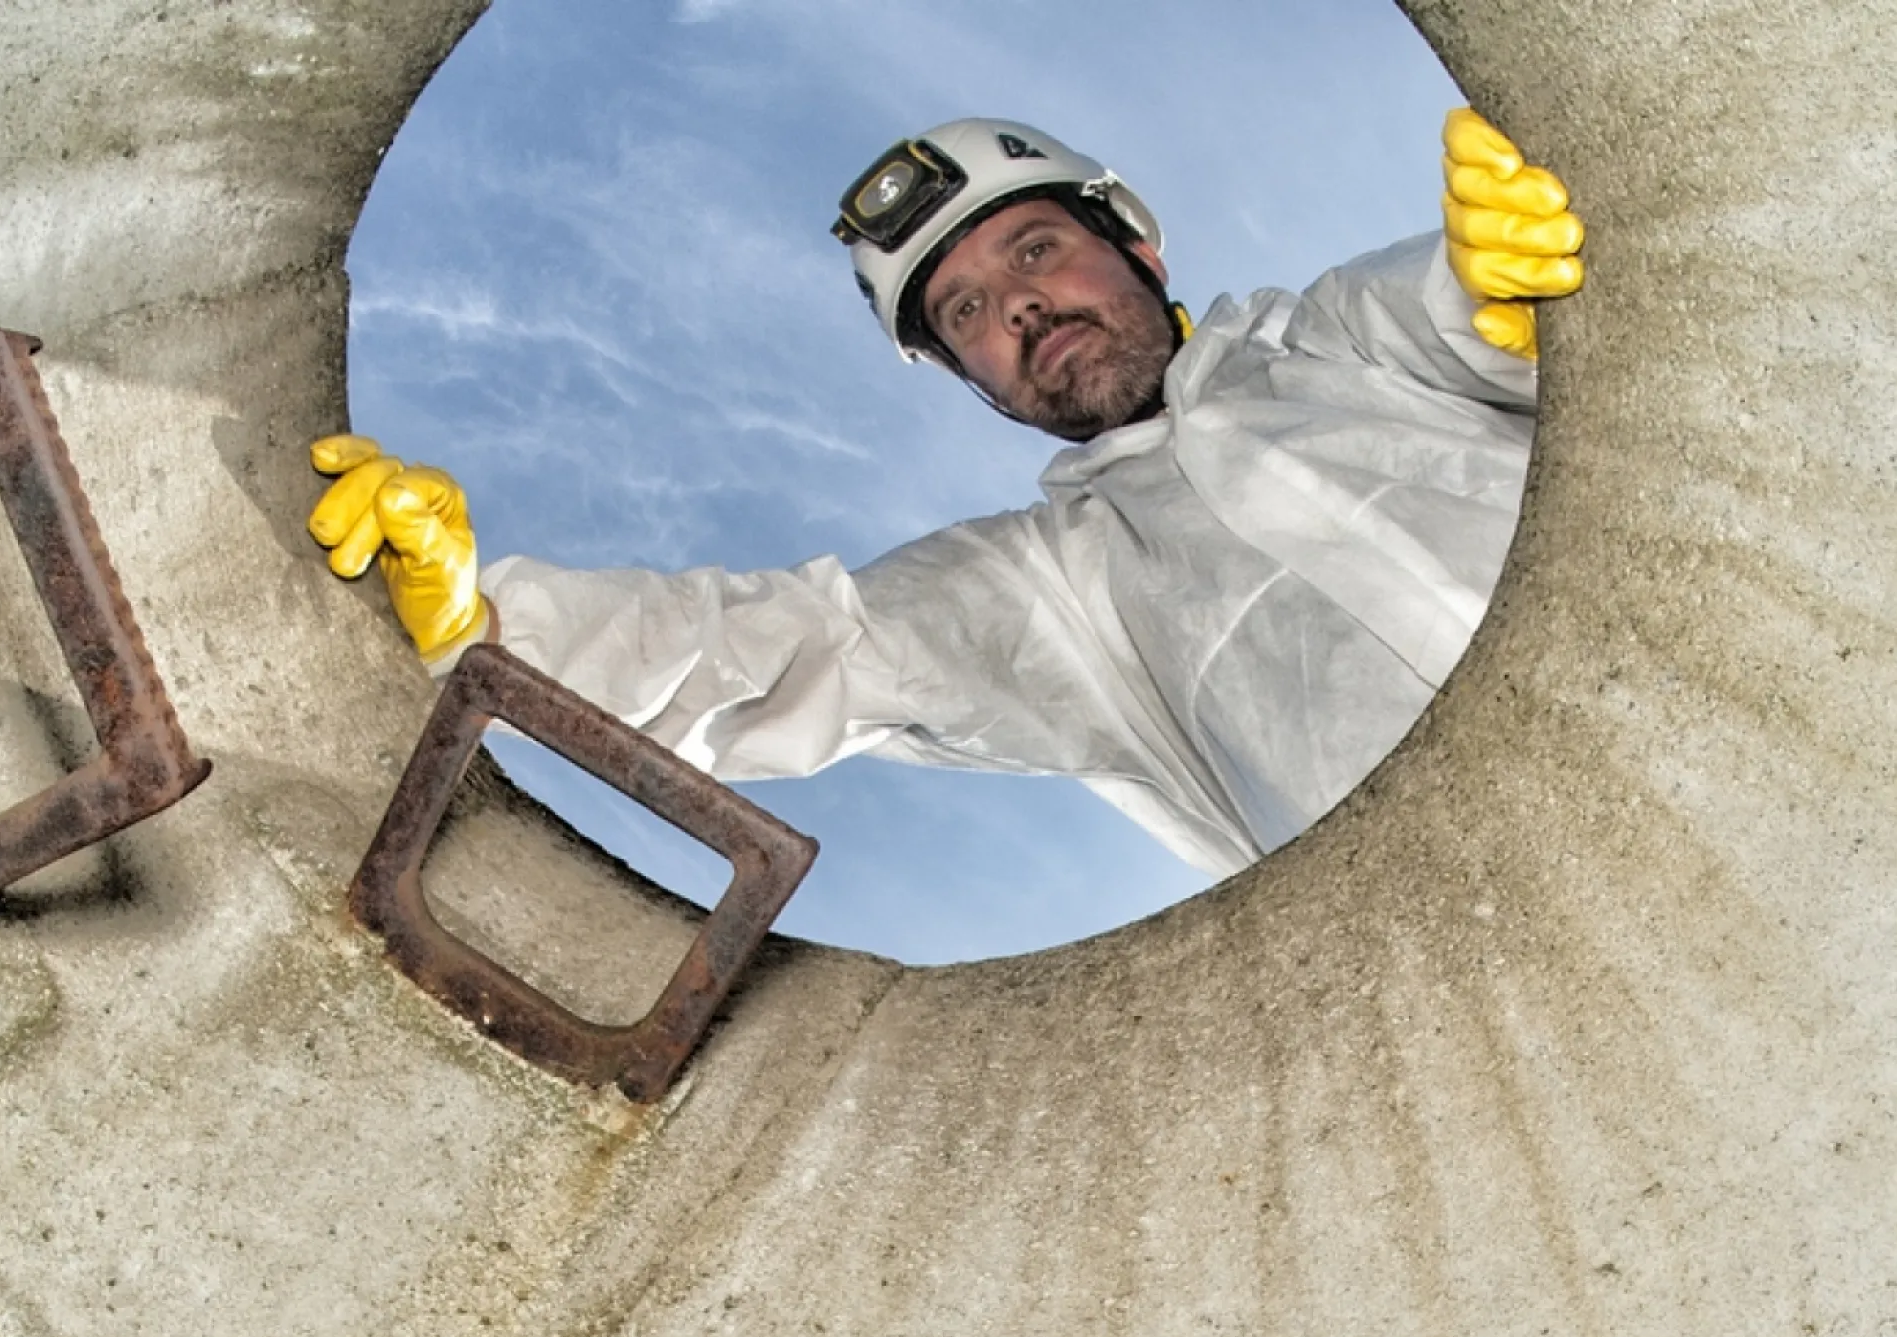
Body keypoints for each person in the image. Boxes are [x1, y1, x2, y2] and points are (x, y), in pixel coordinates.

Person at [307, 109, 1584, 875]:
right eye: (966, 310)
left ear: (1135, 245)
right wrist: (489, 628)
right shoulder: (1056, 593)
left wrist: (1513, 297)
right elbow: (788, 653)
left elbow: (1464, 307)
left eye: (1036, 248)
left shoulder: (1340, 342)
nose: (1017, 304)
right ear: (964, 377)